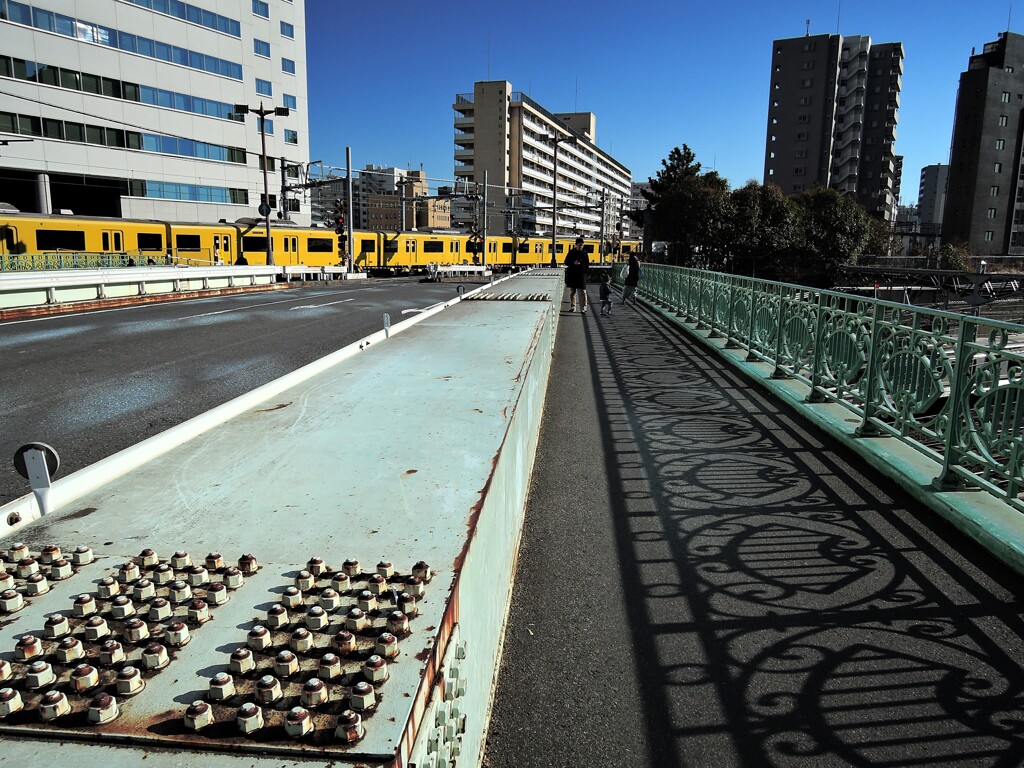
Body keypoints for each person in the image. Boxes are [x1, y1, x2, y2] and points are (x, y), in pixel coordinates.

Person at [564, 235, 589, 313]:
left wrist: (586, 273)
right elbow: (566, 262)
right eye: (580, 245)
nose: (581, 246)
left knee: (583, 292)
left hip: (581, 275)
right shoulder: (571, 252)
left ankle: (584, 307)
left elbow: (587, 264)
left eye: (582, 245)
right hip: (573, 274)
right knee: (573, 292)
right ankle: (573, 306)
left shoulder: (585, 253)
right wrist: (573, 262)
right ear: (576, 244)